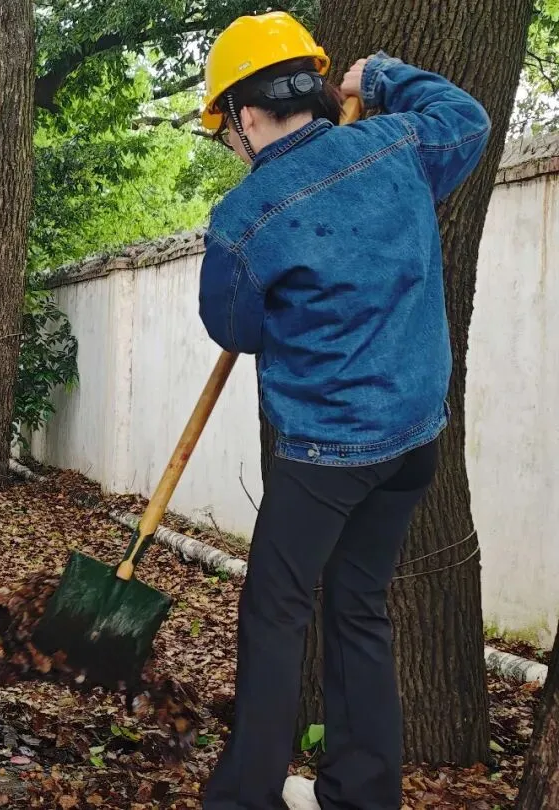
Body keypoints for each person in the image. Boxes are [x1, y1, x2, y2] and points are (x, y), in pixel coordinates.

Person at [196, 12, 490, 810]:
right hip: (414, 443)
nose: (233, 144)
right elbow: (471, 119)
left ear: (248, 114)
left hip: (326, 457)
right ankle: (363, 794)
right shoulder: (399, 146)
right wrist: (383, 77)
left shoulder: (246, 217)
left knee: (276, 615)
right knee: (359, 606)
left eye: (226, 128)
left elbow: (234, 328)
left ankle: (243, 798)